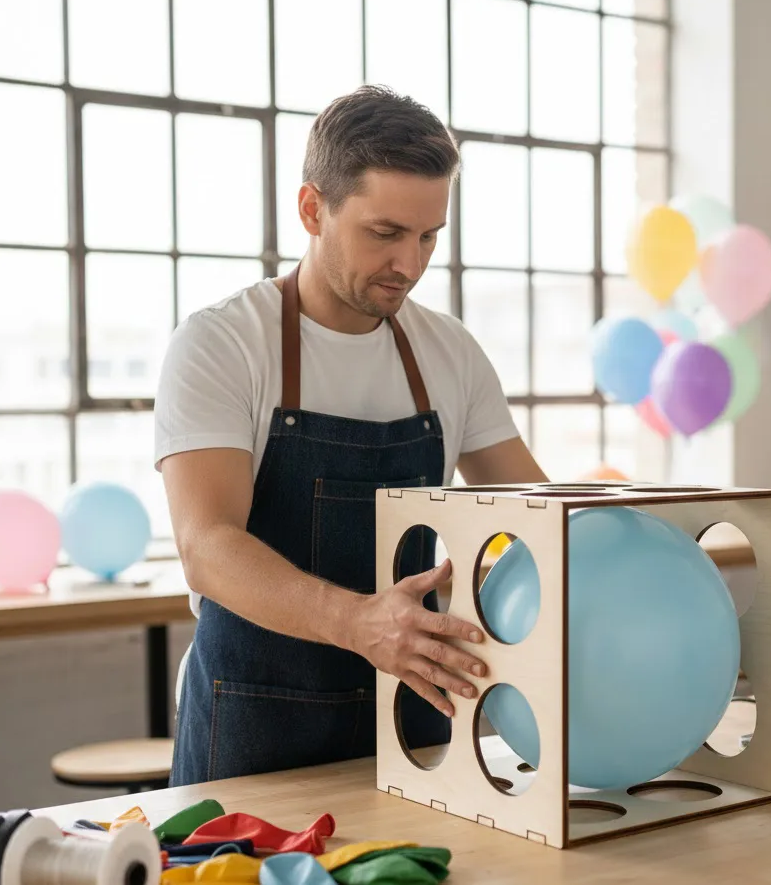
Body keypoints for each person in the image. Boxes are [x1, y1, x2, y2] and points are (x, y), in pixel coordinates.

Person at [155, 85, 548, 786]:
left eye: (429, 236)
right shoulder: (222, 344)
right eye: (385, 233)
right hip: (253, 732)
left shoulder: (449, 355)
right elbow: (207, 548)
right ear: (313, 209)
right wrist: (363, 624)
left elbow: (535, 513)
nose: (411, 263)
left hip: (416, 728)